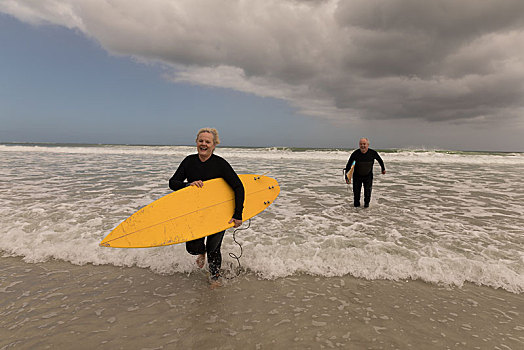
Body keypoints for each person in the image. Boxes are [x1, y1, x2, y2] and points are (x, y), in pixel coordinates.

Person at [169, 128, 244, 285]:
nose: (203, 144)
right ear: (196, 142)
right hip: (195, 212)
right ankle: (200, 252)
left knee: (214, 248)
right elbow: (173, 183)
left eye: (207, 142)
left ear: (214, 145)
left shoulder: (220, 164)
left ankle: (214, 278)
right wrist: (188, 184)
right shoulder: (189, 161)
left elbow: (238, 187)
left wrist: (238, 214)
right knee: (192, 247)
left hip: (218, 212)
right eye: (201, 141)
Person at [345, 137, 386, 208]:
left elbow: (380, 160)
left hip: (368, 176)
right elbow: (349, 165)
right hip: (357, 176)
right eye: (361, 144)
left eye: (364, 144)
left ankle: (366, 212)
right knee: (356, 195)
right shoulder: (355, 153)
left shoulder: (372, 153)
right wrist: (347, 177)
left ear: (368, 145)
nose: (362, 146)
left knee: (367, 194)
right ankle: (355, 212)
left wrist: (383, 169)